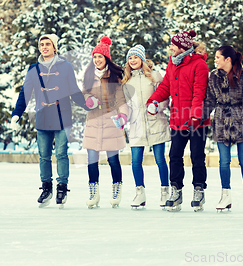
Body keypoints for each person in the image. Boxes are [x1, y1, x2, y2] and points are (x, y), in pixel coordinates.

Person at [11, 34, 90, 208]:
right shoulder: (33, 68)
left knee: (61, 153)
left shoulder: (65, 67)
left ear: (55, 47)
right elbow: (25, 93)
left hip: (62, 116)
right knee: (44, 156)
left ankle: (62, 187)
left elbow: (74, 91)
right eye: (42, 44)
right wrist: (16, 113)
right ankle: (46, 187)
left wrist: (88, 105)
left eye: (48, 44)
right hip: (43, 116)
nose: (44, 47)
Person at [147, 30, 210, 212]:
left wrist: (195, 115)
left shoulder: (200, 65)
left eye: (173, 45)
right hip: (177, 119)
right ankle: (176, 190)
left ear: (182, 47)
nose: (171, 48)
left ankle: (199, 189)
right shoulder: (173, 64)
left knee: (197, 156)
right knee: (175, 156)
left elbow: (199, 92)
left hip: (196, 121)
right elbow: (166, 86)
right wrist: (153, 100)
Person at [204, 45, 243, 211]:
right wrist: (200, 115)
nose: (215, 60)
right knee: (224, 161)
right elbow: (210, 100)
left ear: (227, 59)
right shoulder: (213, 76)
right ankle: (225, 196)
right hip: (221, 121)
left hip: (241, 120)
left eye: (218, 57)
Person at [82, 36, 129, 209]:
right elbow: (83, 93)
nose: (97, 60)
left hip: (111, 123)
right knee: (92, 160)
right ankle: (93, 192)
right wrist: (88, 100)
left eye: (100, 57)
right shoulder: (88, 75)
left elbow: (121, 100)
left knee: (113, 160)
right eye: (95, 56)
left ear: (106, 58)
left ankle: (117, 189)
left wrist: (123, 116)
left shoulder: (115, 77)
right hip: (93, 123)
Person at [122, 44, 170, 209]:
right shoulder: (127, 81)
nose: (132, 60)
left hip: (155, 122)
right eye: (130, 58)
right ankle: (140, 192)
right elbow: (126, 105)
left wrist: (158, 106)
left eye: (135, 57)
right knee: (135, 161)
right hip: (136, 125)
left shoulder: (155, 76)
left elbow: (164, 97)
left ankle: (165, 191)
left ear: (142, 59)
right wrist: (122, 117)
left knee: (160, 159)